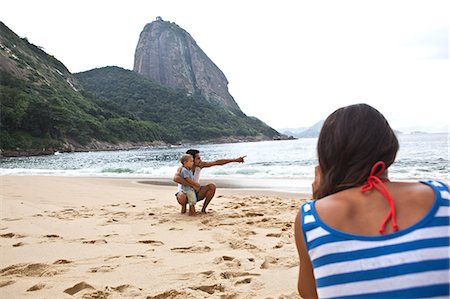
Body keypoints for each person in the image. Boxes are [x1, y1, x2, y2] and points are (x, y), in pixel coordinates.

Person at [294, 104, 450, 299]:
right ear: (390, 150)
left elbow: (311, 295)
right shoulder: (443, 197)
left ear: (326, 156)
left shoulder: (310, 219)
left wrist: (321, 198)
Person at [173, 149, 246, 214]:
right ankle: (184, 207)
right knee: (182, 196)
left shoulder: (200, 165)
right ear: (191, 159)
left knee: (211, 186)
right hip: (184, 193)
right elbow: (176, 178)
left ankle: (203, 209)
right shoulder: (182, 168)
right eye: (198, 158)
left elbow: (217, 162)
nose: (200, 160)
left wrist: (235, 160)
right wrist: (192, 185)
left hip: (196, 192)